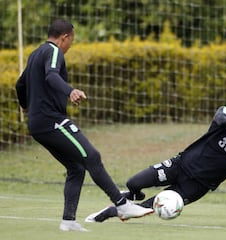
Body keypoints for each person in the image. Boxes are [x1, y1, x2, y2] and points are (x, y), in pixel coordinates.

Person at [85, 89, 226, 222]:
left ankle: (112, 212)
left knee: (148, 208)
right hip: (181, 165)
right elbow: (225, 122)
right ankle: (133, 194)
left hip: (197, 186)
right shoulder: (225, 114)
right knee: (134, 182)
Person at [15, 19, 153, 232]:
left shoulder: (35, 54)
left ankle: (68, 221)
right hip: (51, 121)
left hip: (37, 123)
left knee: (76, 167)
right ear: (65, 37)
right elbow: (52, 75)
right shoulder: (53, 52)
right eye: (72, 41)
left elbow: (20, 84)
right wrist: (70, 91)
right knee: (92, 156)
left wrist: (26, 107)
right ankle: (122, 205)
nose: (70, 46)